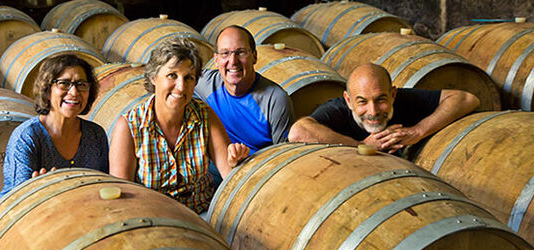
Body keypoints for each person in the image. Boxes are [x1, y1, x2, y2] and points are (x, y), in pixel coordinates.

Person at [109, 36, 249, 214]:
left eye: (189, 77)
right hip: (154, 220)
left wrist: (235, 162)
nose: (181, 87)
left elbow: (229, 174)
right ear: (153, 77)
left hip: (202, 217)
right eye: (172, 75)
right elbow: (124, 199)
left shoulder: (205, 115)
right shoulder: (129, 126)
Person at [288, 63, 480, 153]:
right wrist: (361, 145)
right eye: (362, 102)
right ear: (348, 100)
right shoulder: (337, 111)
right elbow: (298, 132)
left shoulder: (405, 100)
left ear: (393, 94)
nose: (373, 111)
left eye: (381, 100)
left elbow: (466, 99)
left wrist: (418, 131)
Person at [0, 54, 109, 199]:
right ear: (47, 88)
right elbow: (19, 201)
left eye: (81, 84)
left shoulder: (95, 134)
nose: (74, 92)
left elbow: (104, 187)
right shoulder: (27, 136)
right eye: (64, 83)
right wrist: (39, 192)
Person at [194, 25, 293, 184]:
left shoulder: (275, 99)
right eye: (225, 53)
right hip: (211, 170)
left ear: (254, 57)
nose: (232, 62)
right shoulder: (205, 83)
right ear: (216, 59)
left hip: (254, 177)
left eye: (240, 52)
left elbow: (283, 161)